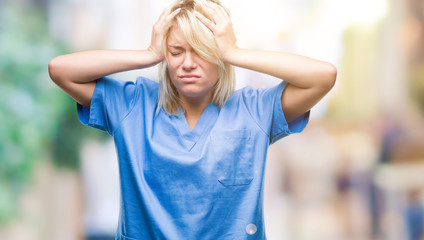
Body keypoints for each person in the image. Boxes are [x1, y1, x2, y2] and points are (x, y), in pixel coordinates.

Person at [48, 0, 337, 239]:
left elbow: (323, 76)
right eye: (176, 52)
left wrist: (234, 52)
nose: (187, 63)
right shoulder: (133, 105)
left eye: (201, 52)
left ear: (219, 57)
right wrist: (148, 54)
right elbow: (60, 69)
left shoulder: (255, 111)